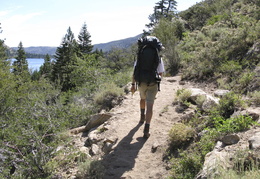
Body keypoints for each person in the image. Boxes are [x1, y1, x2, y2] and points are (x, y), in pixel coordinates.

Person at [131, 36, 165, 138]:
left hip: (141, 82)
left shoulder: (139, 57)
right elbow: (160, 73)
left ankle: (142, 117)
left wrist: (133, 84)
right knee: (150, 106)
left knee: (142, 98)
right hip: (153, 83)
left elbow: (134, 72)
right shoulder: (158, 58)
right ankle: (146, 129)